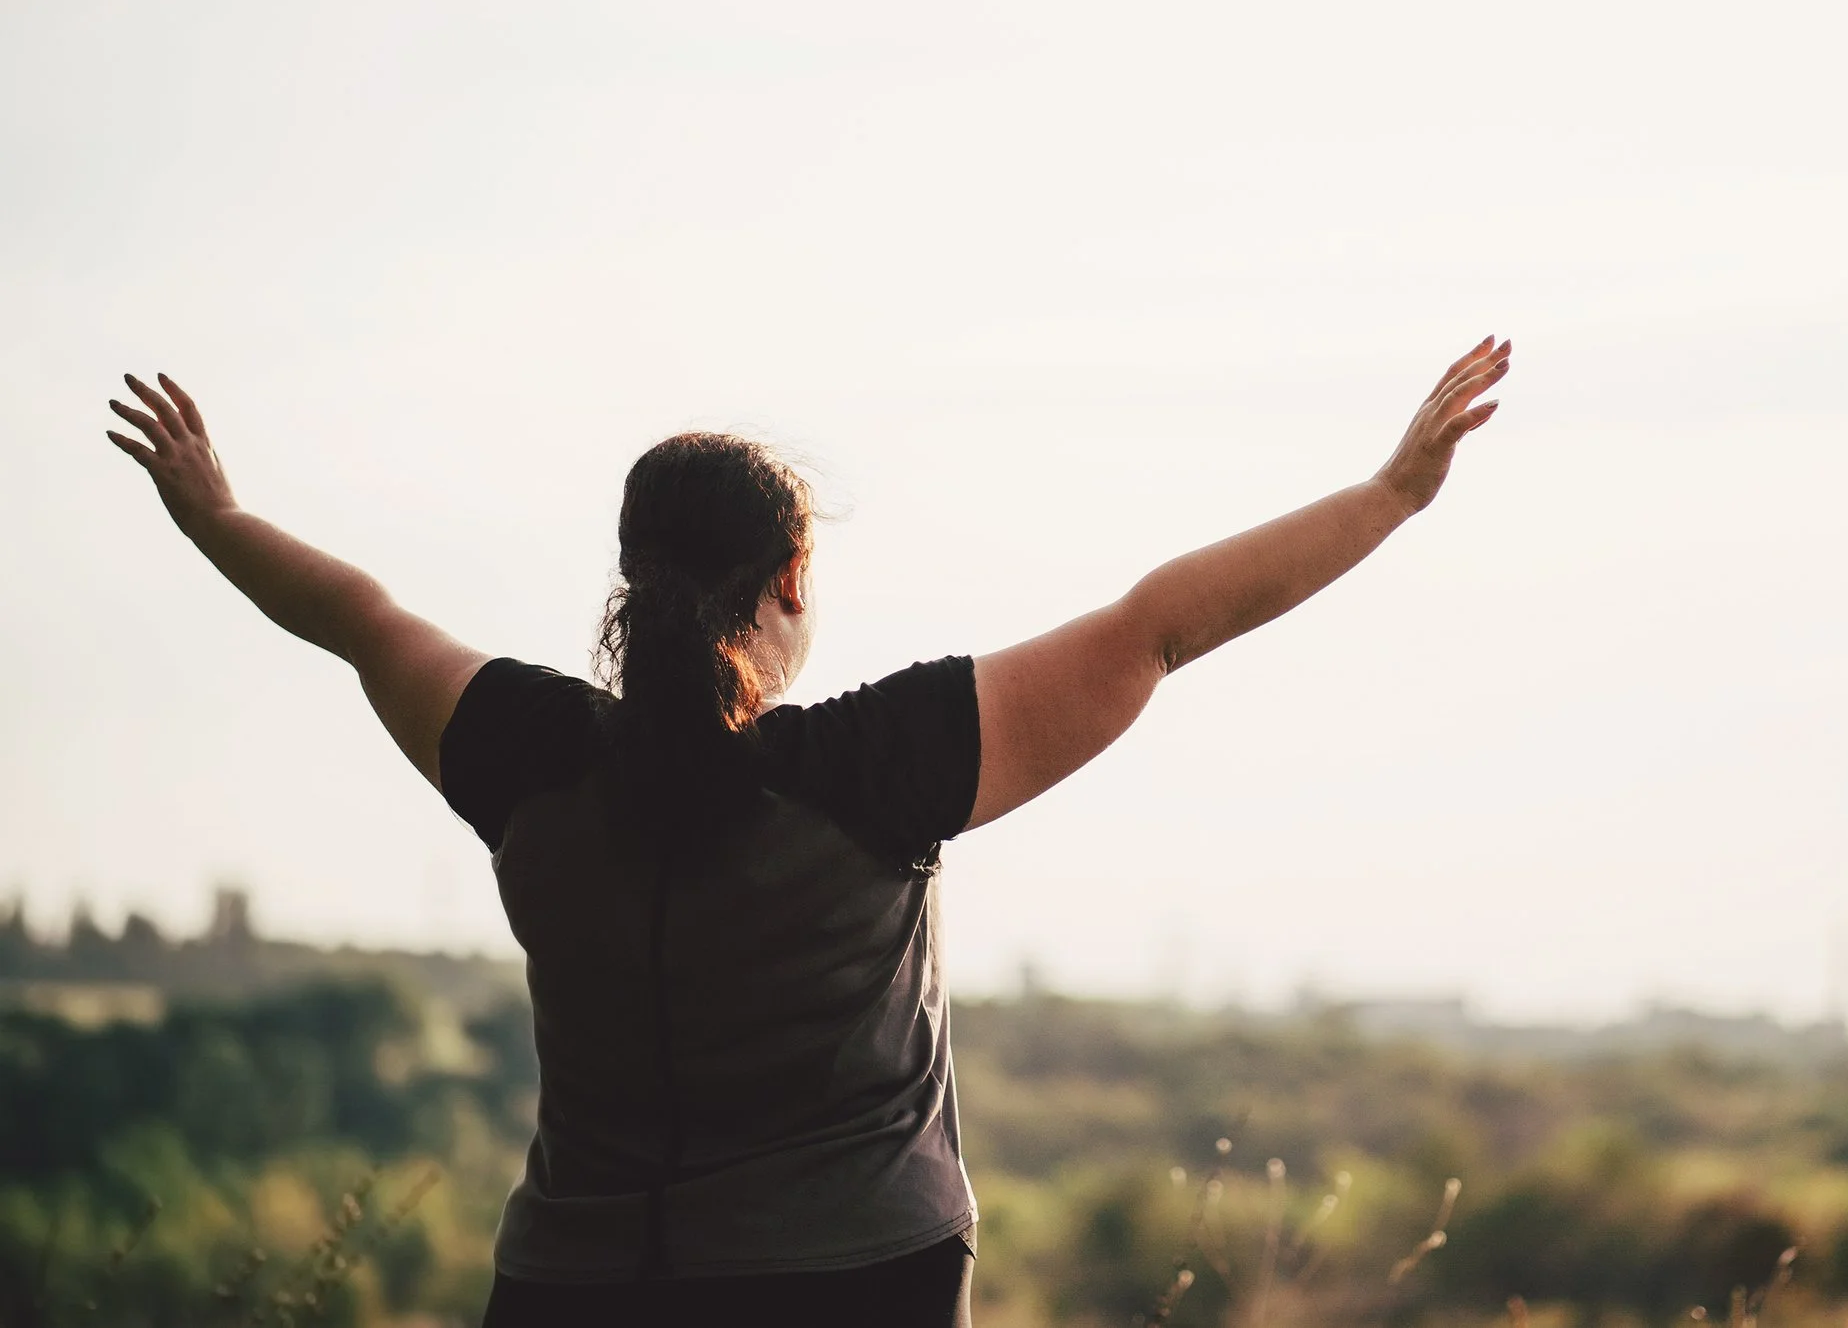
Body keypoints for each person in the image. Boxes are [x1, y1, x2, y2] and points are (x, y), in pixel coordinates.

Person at [103, 337, 1510, 1327]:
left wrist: (214, 514)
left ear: (630, 580)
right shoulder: (878, 766)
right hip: (854, 1287)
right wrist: (1389, 495)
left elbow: (359, 617)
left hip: (575, 1286)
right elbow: (1161, 626)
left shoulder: (523, 756)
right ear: (789, 579)